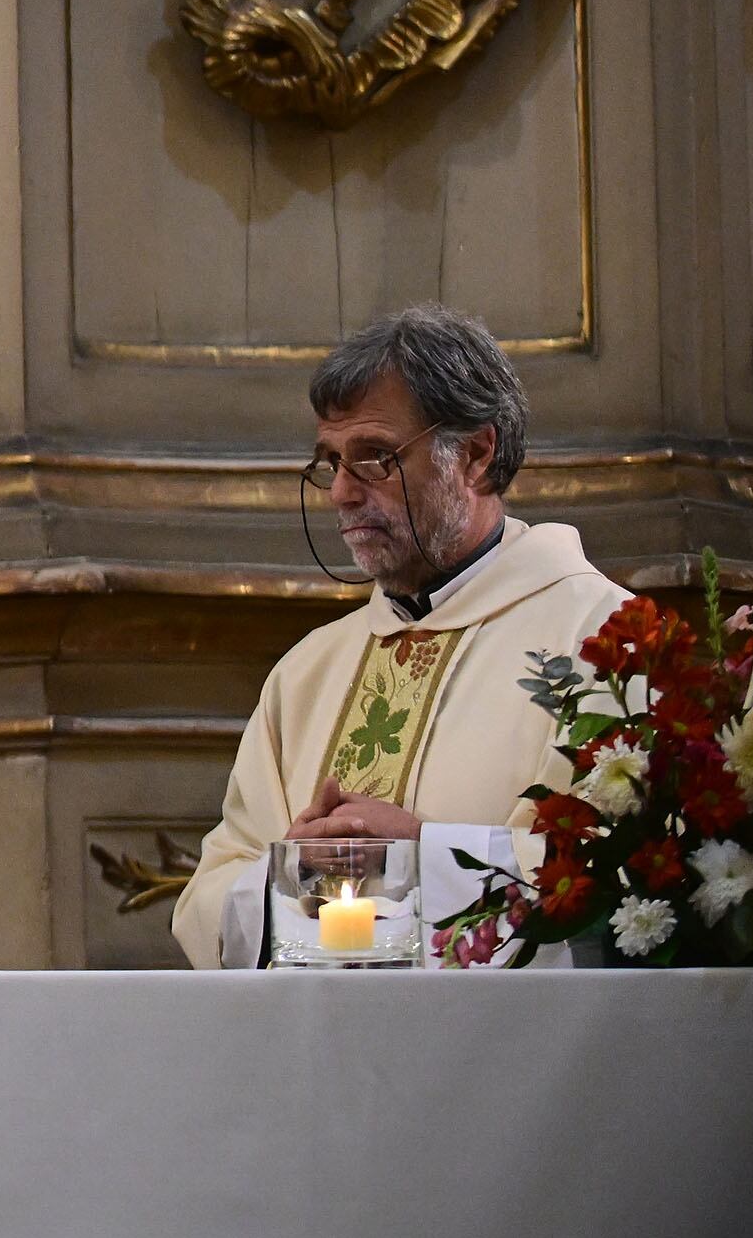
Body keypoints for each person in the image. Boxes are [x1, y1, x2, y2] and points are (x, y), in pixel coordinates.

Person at [173, 305, 629, 968]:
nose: (340, 494)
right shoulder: (307, 674)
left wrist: (421, 856)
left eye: (373, 459)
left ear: (474, 454)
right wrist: (289, 878)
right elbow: (207, 898)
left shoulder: (605, 643)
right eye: (329, 462)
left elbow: (630, 881)